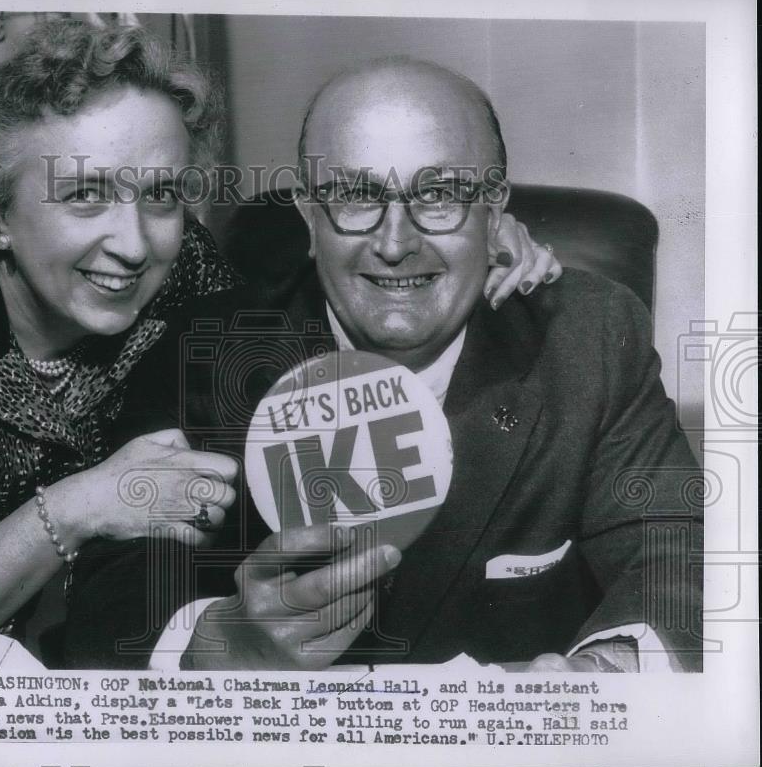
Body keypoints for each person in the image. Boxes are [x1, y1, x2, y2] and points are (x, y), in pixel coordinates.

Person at [0, 24, 554, 669]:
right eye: (84, 194)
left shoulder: (183, 263)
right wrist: (72, 509)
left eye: (160, 195)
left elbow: (316, 257)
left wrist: (470, 232)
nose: (132, 244)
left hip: (71, 664)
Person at [64, 57, 703, 673]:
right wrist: (215, 644)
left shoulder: (589, 336)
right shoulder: (201, 354)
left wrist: (612, 667)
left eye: (441, 195)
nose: (396, 243)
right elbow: (114, 596)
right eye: (354, 196)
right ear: (310, 220)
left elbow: (675, 551)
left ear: (494, 214)